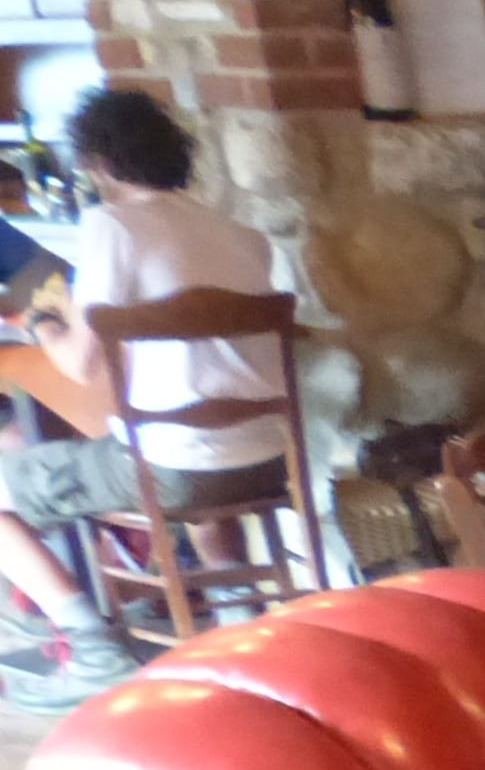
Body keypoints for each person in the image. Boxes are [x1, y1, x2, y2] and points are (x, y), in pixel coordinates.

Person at [0, 87, 290, 714]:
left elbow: (81, 363)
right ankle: (246, 637)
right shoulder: (243, 235)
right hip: (266, 460)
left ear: (99, 163)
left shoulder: (110, 225)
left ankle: (92, 646)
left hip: (171, 472)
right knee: (179, 475)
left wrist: (44, 322)